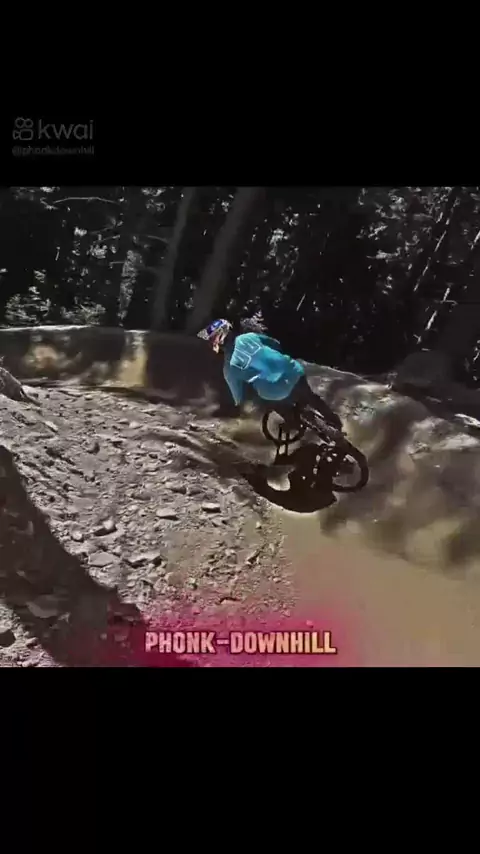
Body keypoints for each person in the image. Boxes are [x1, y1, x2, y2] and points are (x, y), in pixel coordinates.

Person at [197, 318, 342, 431]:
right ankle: (334, 420)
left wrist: (242, 404)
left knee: (265, 398)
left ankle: (292, 422)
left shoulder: (229, 367)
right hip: (293, 371)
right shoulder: (249, 337)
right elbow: (276, 344)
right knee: (310, 396)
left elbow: (239, 398)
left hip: (275, 391)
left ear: (217, 341)